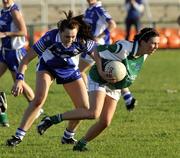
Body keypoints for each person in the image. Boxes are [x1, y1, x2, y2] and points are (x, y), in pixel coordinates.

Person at [34, 27, 160, 151]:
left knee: (105, 122)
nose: (156, 46)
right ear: (142, 42)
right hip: (99, 78)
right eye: (153, 43)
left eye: (157, 44)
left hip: (114, 85)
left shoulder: (143, 55)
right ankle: (52, 120)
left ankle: (80, 145)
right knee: (93, 113)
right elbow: (98, 51)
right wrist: (103, 70)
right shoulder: (123, 47)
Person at [6, 11, 97, 147]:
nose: (70, 40)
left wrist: (104, 71)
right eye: (67, 36)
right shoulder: (50, 37)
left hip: (69, 70)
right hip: (47, 67)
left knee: (84, 109)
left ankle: (68, 136)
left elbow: (98, 57)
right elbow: (26, 59)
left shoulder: (82, 40)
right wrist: (19, 79)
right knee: (38, 100)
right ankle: (18, 136)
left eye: (73, 36)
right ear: (60, 32)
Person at [79, 0, 137, 111]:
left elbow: (112, 24)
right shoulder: (89, 9)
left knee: (81, 71)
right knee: (109, 71)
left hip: (98, 46)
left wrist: (99, 37)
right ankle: (127, 96)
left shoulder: (99, 9)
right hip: (90, 45)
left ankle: (88, 95)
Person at [0, 0, 35, 127]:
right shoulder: (3, 11)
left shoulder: (14, 10)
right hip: (4, 51)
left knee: (20, 83)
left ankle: (36, 106)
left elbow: (23, 31)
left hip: (15, 52)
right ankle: (2, 113)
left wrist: (5, 34)